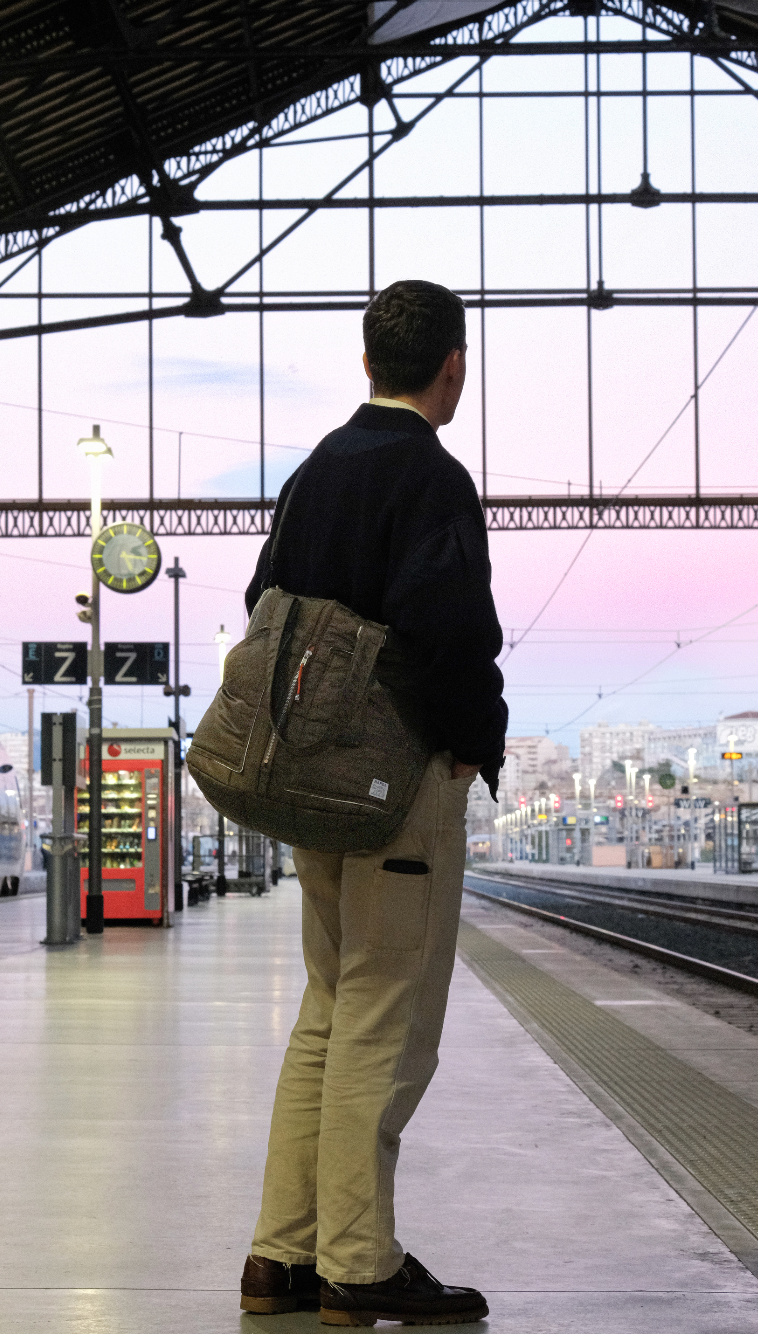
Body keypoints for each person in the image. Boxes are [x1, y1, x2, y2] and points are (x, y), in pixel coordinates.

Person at [240, 280, 507, 1326]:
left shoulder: (315, 474)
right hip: (399, 790)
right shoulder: (432, 479)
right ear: (454, 365)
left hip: (313, 792)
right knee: (387, 1020)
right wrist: (468, 744)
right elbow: (451, 631)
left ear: (367, 364)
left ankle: (281, 1251)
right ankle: (358, 1256)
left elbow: (263, 605)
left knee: (329, 1006)